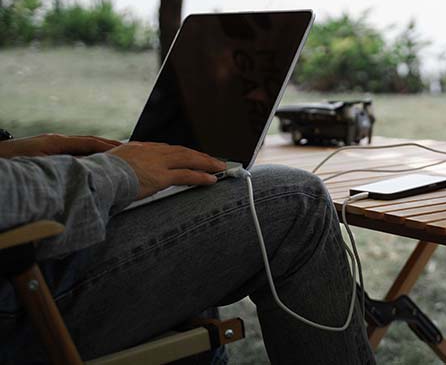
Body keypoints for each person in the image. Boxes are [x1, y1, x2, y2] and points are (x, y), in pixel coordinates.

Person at [0, 133, 374, 364]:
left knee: (191, 188)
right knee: (295, 200)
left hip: (27, 256)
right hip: (20, 290)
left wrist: (12, 151)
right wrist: (115, 174)